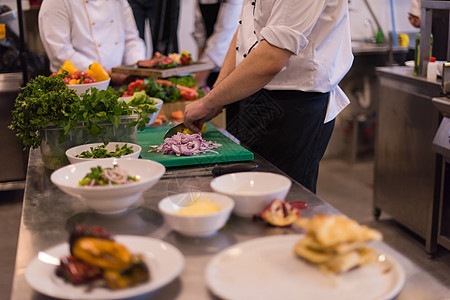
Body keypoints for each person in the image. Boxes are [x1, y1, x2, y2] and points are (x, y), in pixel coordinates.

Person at [183, 0, 354, 193]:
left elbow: (271, 57)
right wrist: (217, 94)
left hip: (293, 107)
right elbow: (244, 32)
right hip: (251, 92)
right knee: (245, 193)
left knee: (284, 203)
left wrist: (207, 102)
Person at [38, 0, 146, 85]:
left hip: (120, 84)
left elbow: (131, 39)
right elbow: (61, 53)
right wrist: (107, 74)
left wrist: (137, 67)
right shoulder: (55, 2)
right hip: (77, 86)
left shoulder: (119, 1)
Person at [192, 0, 242, 88]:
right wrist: (198, 67)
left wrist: (196, 82)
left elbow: (220, 39)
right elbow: (200, 34)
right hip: (208, 65)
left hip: (228, 64)